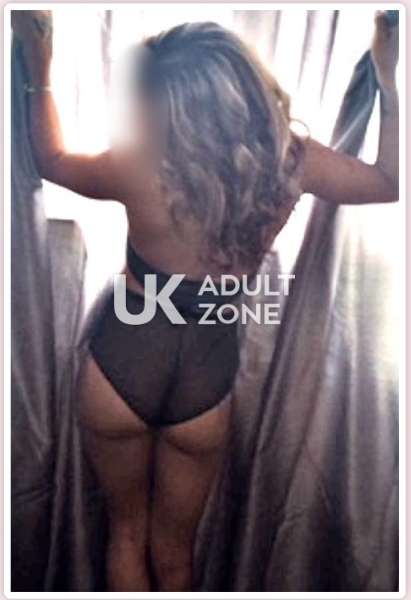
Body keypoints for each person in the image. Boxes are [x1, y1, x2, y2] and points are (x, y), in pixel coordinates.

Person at [12, 10, 398, 592]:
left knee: (125, 536)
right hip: (205, 378)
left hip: (122, 363)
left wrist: (39, 67)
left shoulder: (139, 165)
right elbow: (388, 182)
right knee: (175, 556)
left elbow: (52, 162)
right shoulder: (290, 163)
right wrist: (389, 82)